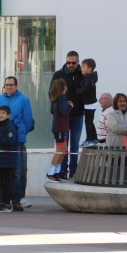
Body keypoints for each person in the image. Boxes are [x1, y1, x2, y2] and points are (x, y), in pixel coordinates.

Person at [0, 76, 33, 211]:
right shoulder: (0, 99)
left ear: (16, 86)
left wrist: (20, 134)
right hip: (3, 141)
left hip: (17, 141)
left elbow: (28, 121)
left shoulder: (24, 100)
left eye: (11, 85)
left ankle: (17, 200)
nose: (9, 87)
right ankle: (3, 200)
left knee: (17, 171)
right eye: (7, 85)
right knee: (2, 172)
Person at [51, 51, 84, 179]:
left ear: (78, 62)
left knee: (75, 144)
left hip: (78, 115)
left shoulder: (83, 75)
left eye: (73, 63)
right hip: (63, 116)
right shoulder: (59, 75)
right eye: (68, 62)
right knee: (64, 145)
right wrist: (55, 109)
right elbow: (52, 93)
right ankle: (62, 171)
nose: (70, 65)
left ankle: (73, 171)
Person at [0, 105, 18, 212]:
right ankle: (1, 201)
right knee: (1, 182)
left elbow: (10, 141)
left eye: (3, 113)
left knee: (7, 182)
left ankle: (6, 204)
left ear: (8, 115)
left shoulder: (10, 126)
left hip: (8, 160)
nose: (0, 115)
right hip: (0, 160)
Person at [47, 78, 73, 182]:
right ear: (64, 87)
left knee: (64, 150)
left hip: (60, 127)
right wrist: (70, 106)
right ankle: (50, 173)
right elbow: (64, 111)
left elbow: (53, 111)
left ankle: (57, 172)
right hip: (60, 128)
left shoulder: (55, 98)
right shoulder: (62, 98)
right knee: (60, 151)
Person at [78, 58, 99, 147]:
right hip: (91, 103)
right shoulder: (90, 78)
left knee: (87, 122)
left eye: (83, 67)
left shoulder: (88, 79)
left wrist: (77, 91)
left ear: (90, 69)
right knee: (90, 121)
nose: (81, 69)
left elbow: (84, 90)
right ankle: (94, 139)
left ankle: (89, 139)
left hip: (89, 103)